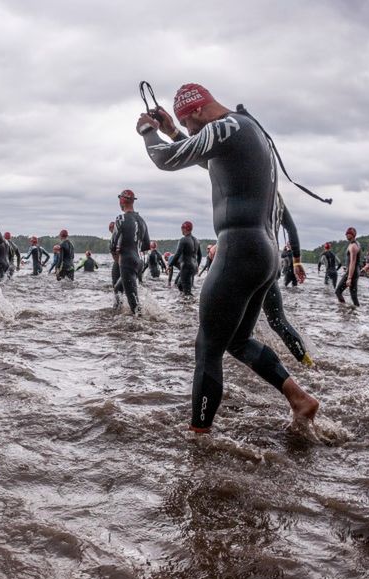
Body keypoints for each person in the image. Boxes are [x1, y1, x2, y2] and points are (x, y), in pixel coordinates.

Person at [137, 82, 318, 432]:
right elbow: (206, 159)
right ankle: (300, 399)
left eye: (189, 124)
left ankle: (199, 439)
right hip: (264, 253)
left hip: (239, 247)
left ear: (200, 111)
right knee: (236, 340)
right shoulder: (247, 131)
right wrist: (173, 130)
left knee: (207, 348)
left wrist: (148, 131)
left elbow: (166, 159)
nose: (190, 132)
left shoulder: (225, 126)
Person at [260, 197, 313, 365]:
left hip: (247, 259)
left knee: (237, 323)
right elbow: (292, 229)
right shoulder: (277, 196)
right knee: (278, 321)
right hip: (271, 263)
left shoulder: (251, 180)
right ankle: (307, 363)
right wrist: (297, 261)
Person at [111, 189, 151, 313]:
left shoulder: (121, 218)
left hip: (127, 261)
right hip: (139, 262)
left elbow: (112, 244)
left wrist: (117, 257)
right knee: (118, 288)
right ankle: (117, 314)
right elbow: (146, 245)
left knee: (133, 303)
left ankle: (138, 326)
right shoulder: (142, 220)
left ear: (122, 200)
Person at [171, 221, 200, 295]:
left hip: (186, 266)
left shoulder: (183, 240)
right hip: (194, 266)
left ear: (185, 229)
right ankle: (185, 304)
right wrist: (197, 266)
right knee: (180, 285)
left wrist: (170, 265)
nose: (181, 230)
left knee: (187, 291)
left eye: (182, 228)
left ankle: (190, 303)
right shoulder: (197, 240)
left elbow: (177, 254)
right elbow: (200, 255)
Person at [335, 227, 361, 306]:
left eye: (348, 234)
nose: (346, 235)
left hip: (352, 272)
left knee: (338, 291)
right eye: (346, 234)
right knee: (353, 295)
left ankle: (343, 308)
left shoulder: (353, 246)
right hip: (355, 272)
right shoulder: (356, 243)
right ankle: (355, 312)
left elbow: (353, 262)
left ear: (352, 235)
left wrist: (349, 277)